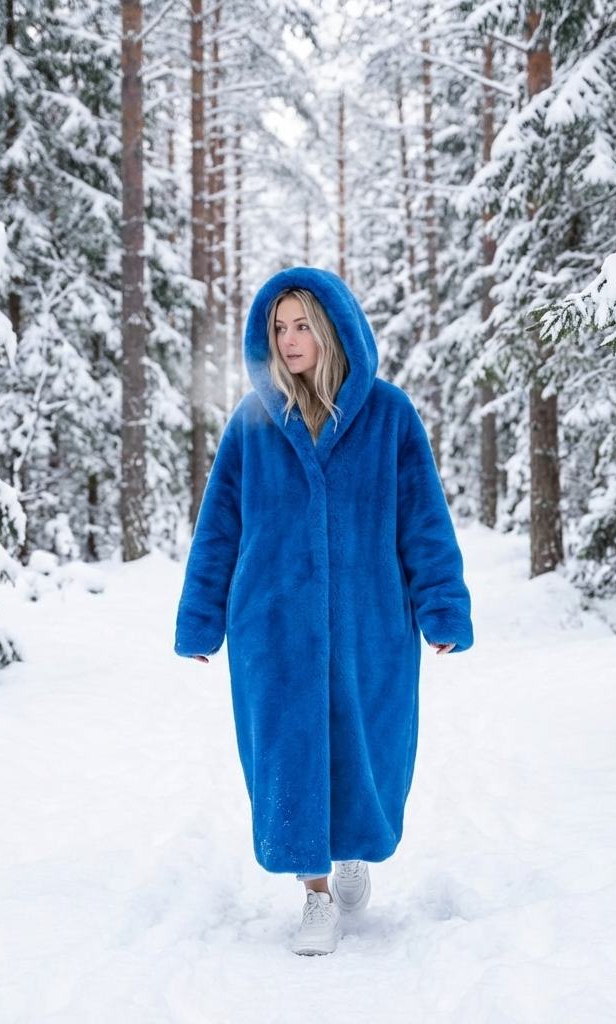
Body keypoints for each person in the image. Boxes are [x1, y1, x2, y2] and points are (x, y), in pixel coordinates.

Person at [175, 268, 472, 955]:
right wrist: (201, 619)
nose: (288, 339)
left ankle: (351, 852)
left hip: (369, 625)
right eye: (278, 327)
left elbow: (423, 519)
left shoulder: (390, 414)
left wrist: (442, 607)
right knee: (285, 753)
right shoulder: (251, 424)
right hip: (271, 627)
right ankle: (313, 894)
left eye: (301, 324)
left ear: (331, 328)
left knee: (367, 746)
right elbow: (217, 526)